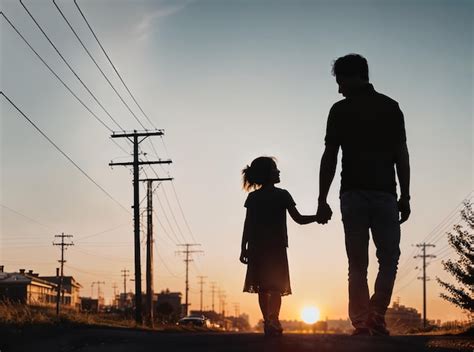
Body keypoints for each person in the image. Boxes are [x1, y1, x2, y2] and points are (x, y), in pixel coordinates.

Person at [316, 54, 411, 336]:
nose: (338, 88)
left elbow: (329, 157)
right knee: (389, 258)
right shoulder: (390, 107)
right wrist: (405, 195)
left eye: (340, 81)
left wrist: (322, 198)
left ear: (354, 75)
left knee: (357, 263)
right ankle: (376, 314)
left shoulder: (340, 110)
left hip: (354, 195)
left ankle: (363, 320)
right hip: (383, 194)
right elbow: (401, 156)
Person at [239, 156, 318, 336]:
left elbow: (248, 225)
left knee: (264, 288)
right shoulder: (282, 195)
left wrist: (243, 247)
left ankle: (269, 321)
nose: (279, 171)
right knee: (274, 287)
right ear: (267, 174)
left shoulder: (254, 197)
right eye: (275, 169)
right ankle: (272, 320)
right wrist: (317, 217)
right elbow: (298, 218)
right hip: (275, 249)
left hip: (259, 248)